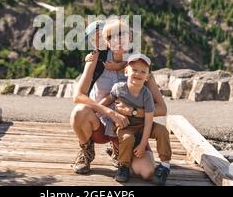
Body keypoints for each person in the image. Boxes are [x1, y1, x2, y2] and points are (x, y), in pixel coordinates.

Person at [71, 17, 168, 181]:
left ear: (130, 36)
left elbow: (162, 109)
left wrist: (134, 111)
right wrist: (110, 112)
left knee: (146, 172)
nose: (117, 40)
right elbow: (78, 96)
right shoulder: (96, 59)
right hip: (100, 124)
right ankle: (86, 149)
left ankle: (118, 150)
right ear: (106, 41)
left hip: (129, 127)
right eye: (111, 37)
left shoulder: (139, 64)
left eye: (121, 34)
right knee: (79, 112)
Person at [99, 53, 172, 184]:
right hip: (125, 126)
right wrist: (97, 108)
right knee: (127, 138)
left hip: (143, 125)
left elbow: (149, 120)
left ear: (147, 77)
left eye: (143, 71)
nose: (138, 74)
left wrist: (143, 144)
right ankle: (123, 166)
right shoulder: (119, 88)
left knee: (162, 131)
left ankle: (165, 166)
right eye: (135, 70)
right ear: (126, 71)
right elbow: (108, 100)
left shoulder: (146, 94)